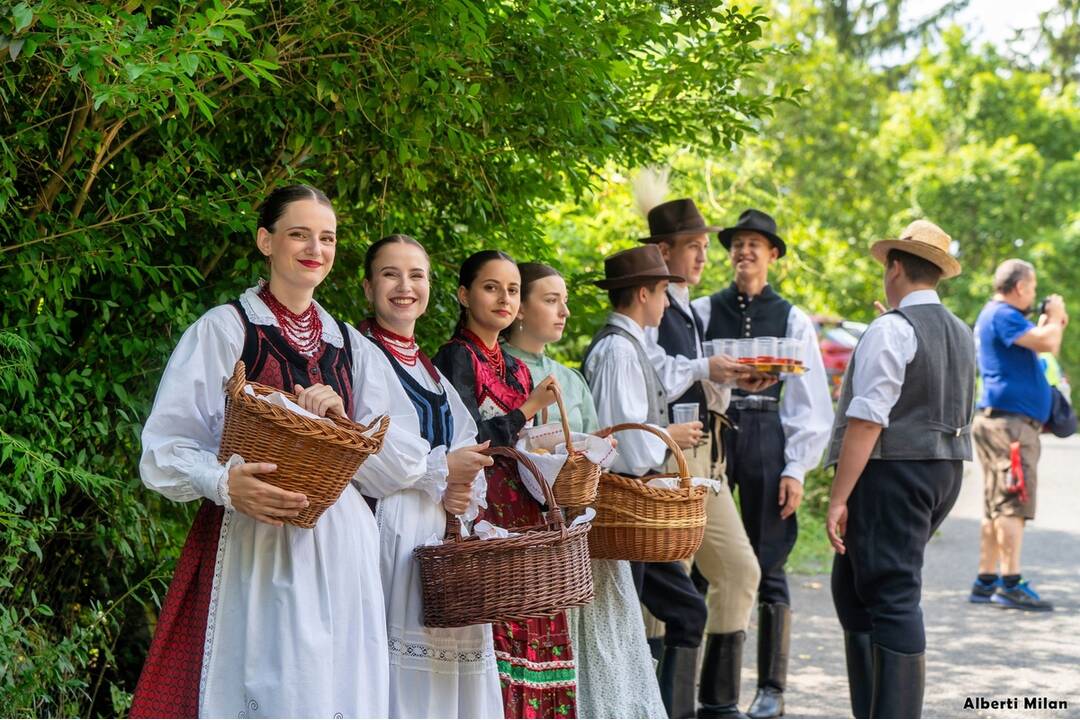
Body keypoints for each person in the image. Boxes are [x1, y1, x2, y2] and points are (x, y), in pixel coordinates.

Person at [131, 185, 435, 718]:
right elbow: (165, 446)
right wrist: (224, 482)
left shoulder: (349, 344)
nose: (315, 248)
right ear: (265, 241)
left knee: (338, 688)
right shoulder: (226, 329)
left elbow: (406, 457)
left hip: (344, 545)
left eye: (327, 237)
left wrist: (345, 422)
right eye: (299, 234)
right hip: (256, 541)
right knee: (275, 688)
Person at [825, 220, 975, 718]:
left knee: (892, 594)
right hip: (944, 470)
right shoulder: (960, 331)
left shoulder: (892, 329)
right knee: (853, 587)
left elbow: (867, 421)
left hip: (894, 472)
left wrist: (839, 496)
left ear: (894, 266)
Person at [504, 262, 667, 719]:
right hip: (527, 527)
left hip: (581, 525)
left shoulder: (570, 377)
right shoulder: (500, 368)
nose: (564, 312)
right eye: (550, 300)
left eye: (565, 301)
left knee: (605, 638)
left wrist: (600, 450)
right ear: (519, 307)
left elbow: (596, 445)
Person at [695, 209, 834, 718]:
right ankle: (712, 691)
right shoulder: (703, 311)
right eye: (738, 243)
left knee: (769, 555)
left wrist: (796, 467)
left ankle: (772, 688)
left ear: (773, 254)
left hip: (768, 436)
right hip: (713, 434)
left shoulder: (793, 317)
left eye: (756, 244)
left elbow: (810, 400)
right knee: (703, 554)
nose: (745, 251)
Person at [358, 234, 503, 718]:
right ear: (367, 287)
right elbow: (368, 448)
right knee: (395, 674)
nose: (405, 286)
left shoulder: (431, 373)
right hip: (388, 530)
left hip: (439, 537)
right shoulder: (360, 356)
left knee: (447, 677)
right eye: (390, 274)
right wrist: (444, 470)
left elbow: (469, 442)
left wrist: (464, 487)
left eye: (416, 275)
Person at [638, 198, 767, 719]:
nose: (703, 256)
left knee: (740, 571)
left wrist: (730, 379)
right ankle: (658, 704)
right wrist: (705, 366)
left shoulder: (687, 304)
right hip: (668, 458)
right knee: (667, 595)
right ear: (662, 250)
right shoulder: (645, 303)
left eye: (701, 246)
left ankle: (717, 705)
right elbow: (651, 371)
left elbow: (693, 379)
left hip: (707, 457)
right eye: (692, 246)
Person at [432, 251, 573, 719]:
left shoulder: (517, 367)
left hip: (528, 514)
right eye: (491, 287)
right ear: (464, 295)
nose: (504, 298)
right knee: (498, 638)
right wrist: (528, 409)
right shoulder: (456, 357)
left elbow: (524, 440)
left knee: (535, 627)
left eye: (512, 289)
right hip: (484, 515)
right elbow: (467, 438)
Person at [581, 244, 707, 719]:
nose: (667, 303)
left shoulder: (630, 345)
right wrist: (667, 438)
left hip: (634, 508)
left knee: (671, 616)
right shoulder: (617, 350)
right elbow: (625, 440)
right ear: (642, 293)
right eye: (662, 293)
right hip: (623, 509)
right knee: (650, 620)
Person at [968, 259, 1067, 612]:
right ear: (1020, 287)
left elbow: (1034, 341)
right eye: (1034, 286)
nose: (1036, 293)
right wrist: (1055, 317)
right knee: (1012, 502)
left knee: (996, 505)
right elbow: (1047, 342)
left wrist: (1045, 325)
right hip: (1010, 425)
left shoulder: (997, 316)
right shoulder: (1002, 313)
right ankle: (1010, 583)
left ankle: (986, 580)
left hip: (1001, 421)